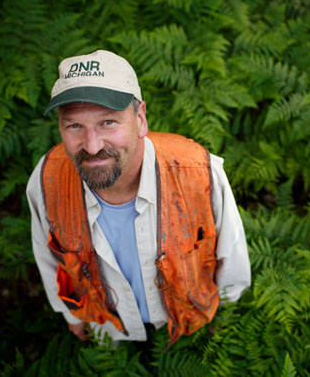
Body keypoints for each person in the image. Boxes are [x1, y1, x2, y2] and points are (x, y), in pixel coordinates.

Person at [26, 50, 250, 347]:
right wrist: (71, 315)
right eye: (74, 126)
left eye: (108, 122)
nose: (92, 147)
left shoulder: (200, 174)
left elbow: (231, 257)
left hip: (189, 329)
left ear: (140, 118)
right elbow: (48, 259)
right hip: (108, 329)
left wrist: (225, 319)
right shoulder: (46, 182)